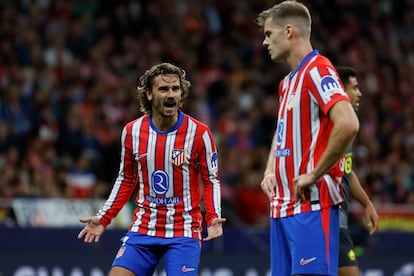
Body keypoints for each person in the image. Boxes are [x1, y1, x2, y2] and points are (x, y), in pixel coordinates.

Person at [77, 62, 226, 276]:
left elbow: (211, 179)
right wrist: (104, 218)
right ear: (149, 94)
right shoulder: (132, 131)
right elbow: (127, 179)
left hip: (183, 230)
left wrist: (213, 217)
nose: (171, 94)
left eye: (176, 89)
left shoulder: (199, 133)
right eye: (164, 89)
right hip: (144, 226)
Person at [256, 1, 360, 275]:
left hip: (311, 204)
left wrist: (313, 174)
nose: (265, 42)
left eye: (269, 34)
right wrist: (269, 170)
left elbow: (348, 123)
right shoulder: (287, 82)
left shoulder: (318, 69)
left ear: (289, 31)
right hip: (282, 206)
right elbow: (281, 133)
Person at [335, 66, 379, 276]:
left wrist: (367, 203)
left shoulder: (349, 127)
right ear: (340, 91)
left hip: (339, 224)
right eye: (354, 88)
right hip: (325, 220)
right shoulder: (328, 125)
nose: (359, 93)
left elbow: (347, 172)